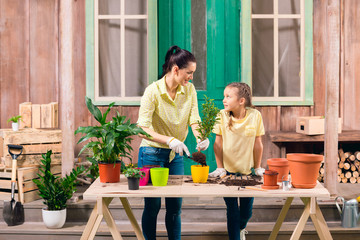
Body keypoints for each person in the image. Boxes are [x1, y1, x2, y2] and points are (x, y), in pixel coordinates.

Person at [137, 45, 209, 240]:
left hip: (175, 155)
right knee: (152, 206)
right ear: (175, 69)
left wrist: (200, 136)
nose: (191, 77)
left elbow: (194, 118)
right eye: (189, 73)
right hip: (151, 153)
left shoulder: (189, 90)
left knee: (175, 207)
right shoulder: (152, 91)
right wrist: (169, 140)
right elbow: (142, 128)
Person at [209, 82, 265, 240]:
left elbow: (257, 144)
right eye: (223, 96)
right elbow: (218, 144)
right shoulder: (222, 115)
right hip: (227, 173)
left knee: (246, 212)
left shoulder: (255, 116)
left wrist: (258, 167)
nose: (224, 100)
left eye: (228, 96)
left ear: (241, 101)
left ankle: (240, 228)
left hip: (248, 174)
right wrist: (220, 168)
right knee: (232, 209)